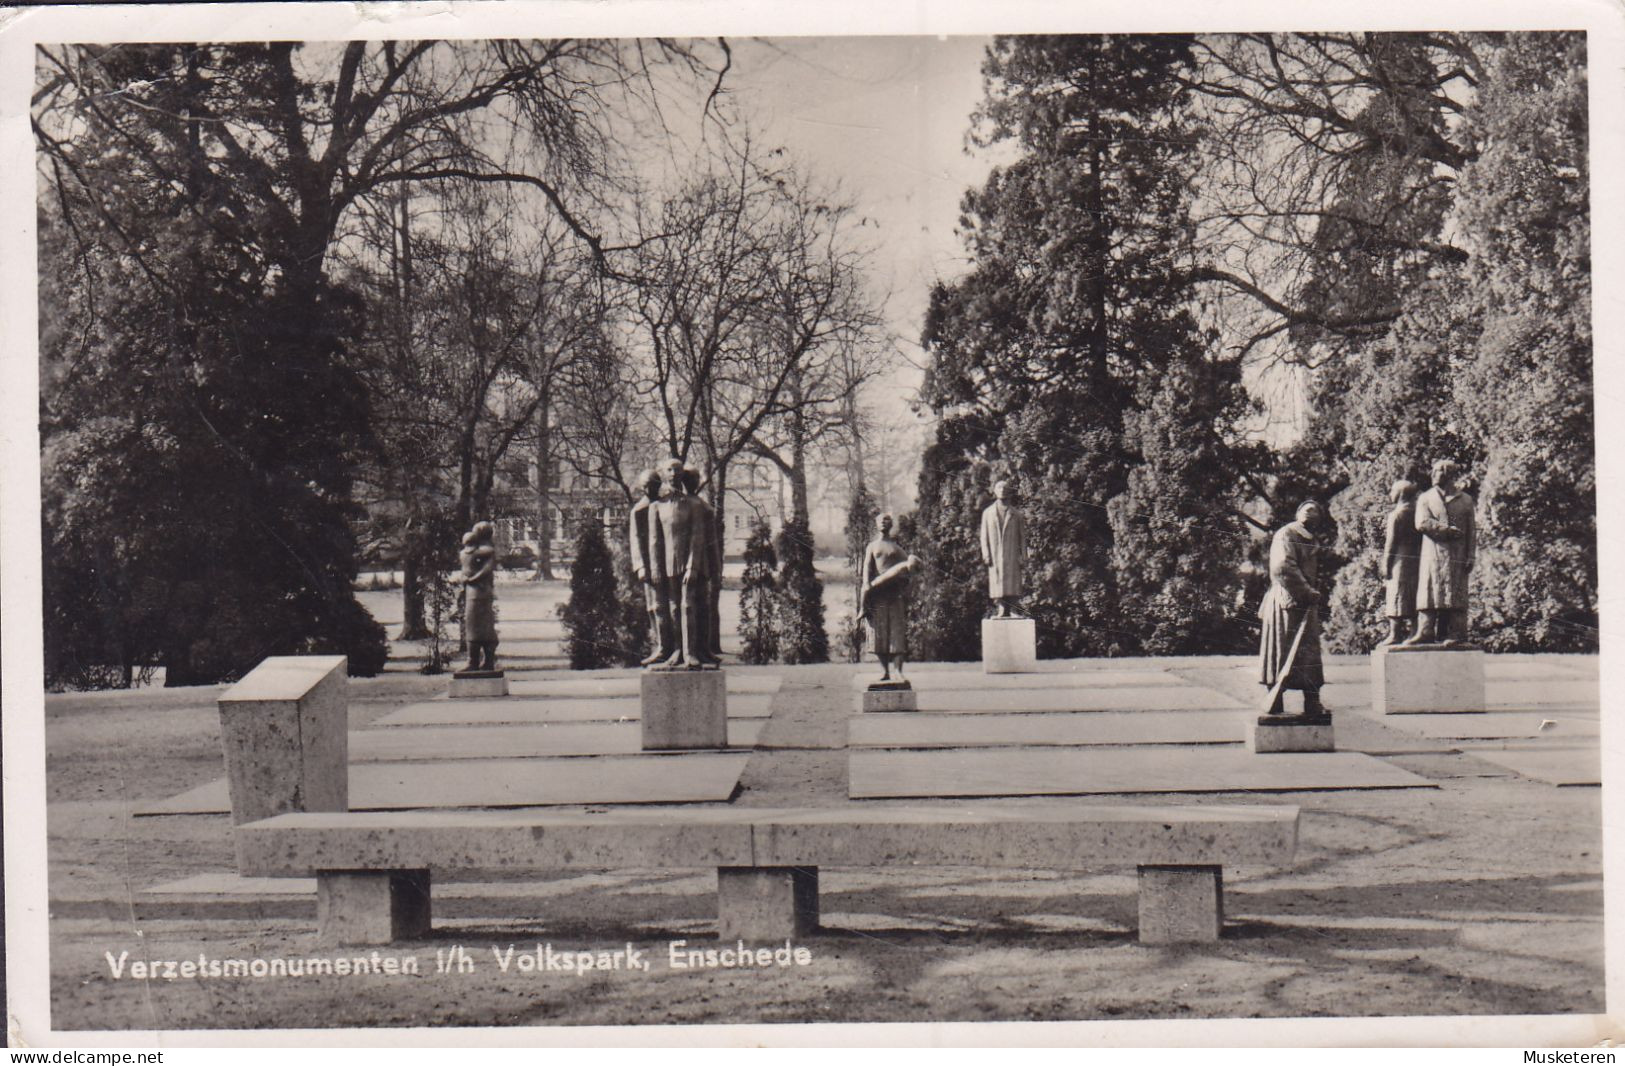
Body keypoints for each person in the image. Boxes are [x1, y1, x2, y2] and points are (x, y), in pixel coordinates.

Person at [650, 456, 719, 668]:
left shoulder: (694, 504)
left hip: (689, 564)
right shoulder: (656, 507)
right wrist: (655, 568)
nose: (673, 473)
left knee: (688, 606)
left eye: (677, 470)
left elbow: (697, 536)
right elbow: (655, 541)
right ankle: (677, 651)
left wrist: (693, 566)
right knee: (672, 609)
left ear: (682, 474)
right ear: (662, 473)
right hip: (668, 565)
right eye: (669, 470)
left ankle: (691, 653)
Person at [1258, 501, 1325, 716]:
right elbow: (1282, 566)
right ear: (1297, 513)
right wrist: (1305, 590)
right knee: (1281, 650)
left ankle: (1312, 702)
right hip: (1287, 600)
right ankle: (1275, 701)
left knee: (1310, 654)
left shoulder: (1312, 539)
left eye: (1316, 509)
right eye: (1307, 508)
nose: (1312, 511)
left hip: (1306, 602)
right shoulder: (1285, 534)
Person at [1406, 459, 1477, 646]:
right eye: (1434, 471)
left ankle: (1457, 634)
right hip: (1433, 554)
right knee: (1429, 592)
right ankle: (1425, 631)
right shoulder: (1426, 498)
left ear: (1449, 474)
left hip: (1458, 554)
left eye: (1438, 471)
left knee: (1456, 594)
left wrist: (1471, 555)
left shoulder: (1466, 500)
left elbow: (1471, 530)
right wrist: (1446, 530)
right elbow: (1421, 522)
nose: (1433, 474)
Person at [860, 513, 919, 682]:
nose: (884, 522)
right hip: (877, 594)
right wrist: (866, 584)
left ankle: (898, 671)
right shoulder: (872, 546)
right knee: (879, 634)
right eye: (880, 520)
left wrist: (903, 583)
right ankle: (884, 671)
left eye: (887, 520)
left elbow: (909, 569)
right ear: (876, 524)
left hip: (894, 595)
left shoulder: (896, 548)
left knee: (896, 633)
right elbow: (867, 567)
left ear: (891, 524)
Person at [628, 468, 668, 665]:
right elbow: (635, 540)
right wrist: (640, 567)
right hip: (650, 567)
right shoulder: (639, 510)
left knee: (669, 607)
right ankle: (659, 645)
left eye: (654, 485)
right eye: (647, 486)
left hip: (668, 565)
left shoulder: (666, 506)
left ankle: (670, 647)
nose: (650, 489)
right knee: (654, 607)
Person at [1379, 479, 1422, 646]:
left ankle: (1395, 634)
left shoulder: (1396, 514)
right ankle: (1414, 632)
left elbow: (1391, 542)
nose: (1391, 494)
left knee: (1396, 594)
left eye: (1392, 490)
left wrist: (1386, 564)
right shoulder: (1418, 512)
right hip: (1417, 559)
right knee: (1414, 595)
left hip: (1400, 560)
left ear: (1401, 494)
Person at [979, 479, 1027, 618]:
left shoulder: (1017, 514)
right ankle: (1000, 608)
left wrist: (1023, 556)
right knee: (997, 581)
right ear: (994, 491)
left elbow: (1022, 537)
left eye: (1005, 487)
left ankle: (1013, 610)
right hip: (995, 554)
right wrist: (986, 554)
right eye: (999, 487)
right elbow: (984, 536)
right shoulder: (987, 513)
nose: (1002, 490)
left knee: (1013, 581)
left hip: (1011, 554)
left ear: (1010, 491)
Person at [456, 520, 499, 671]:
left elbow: (487, 569)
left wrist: (471, 579)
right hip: (474, 592)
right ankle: (474, 661)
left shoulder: (485, 551)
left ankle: (484, 661)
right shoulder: (472, 552)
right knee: (473, 624)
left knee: (480, 625)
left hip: (479, 592)